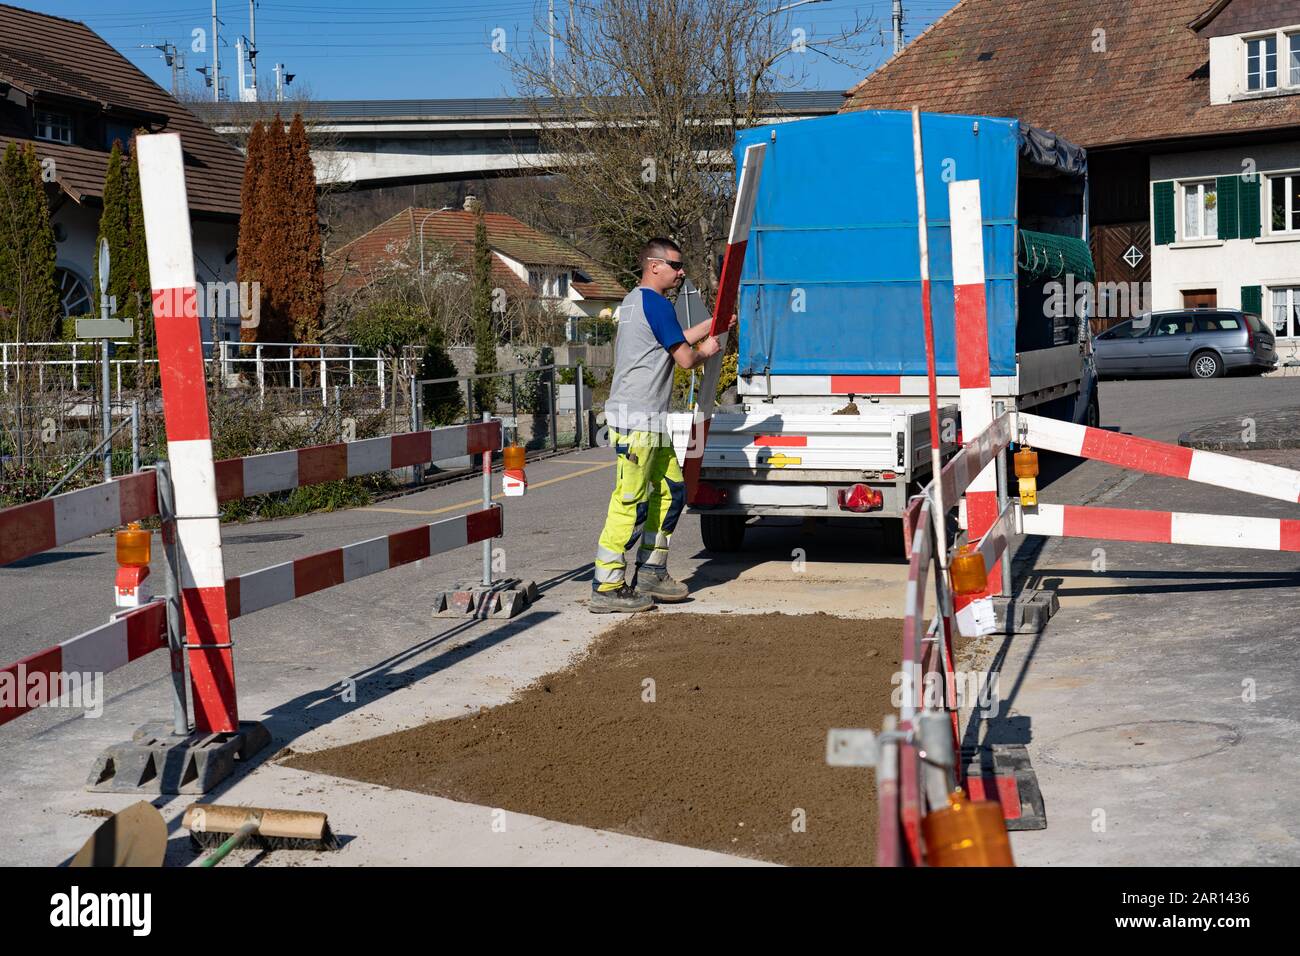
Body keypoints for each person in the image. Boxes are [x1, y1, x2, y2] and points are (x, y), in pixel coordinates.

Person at [590, 237, 733, 613]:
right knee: (631, 501)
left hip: (649, 419)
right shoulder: (654, 303)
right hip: (637, 421)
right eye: (675, 264)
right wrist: (709, 350)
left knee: (671, 490)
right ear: (654, 265)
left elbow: (669, 341)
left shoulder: (636, 302)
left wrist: (711, 325)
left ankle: (651, 571)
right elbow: (685, 358)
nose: (680, 270)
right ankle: (607, 586)